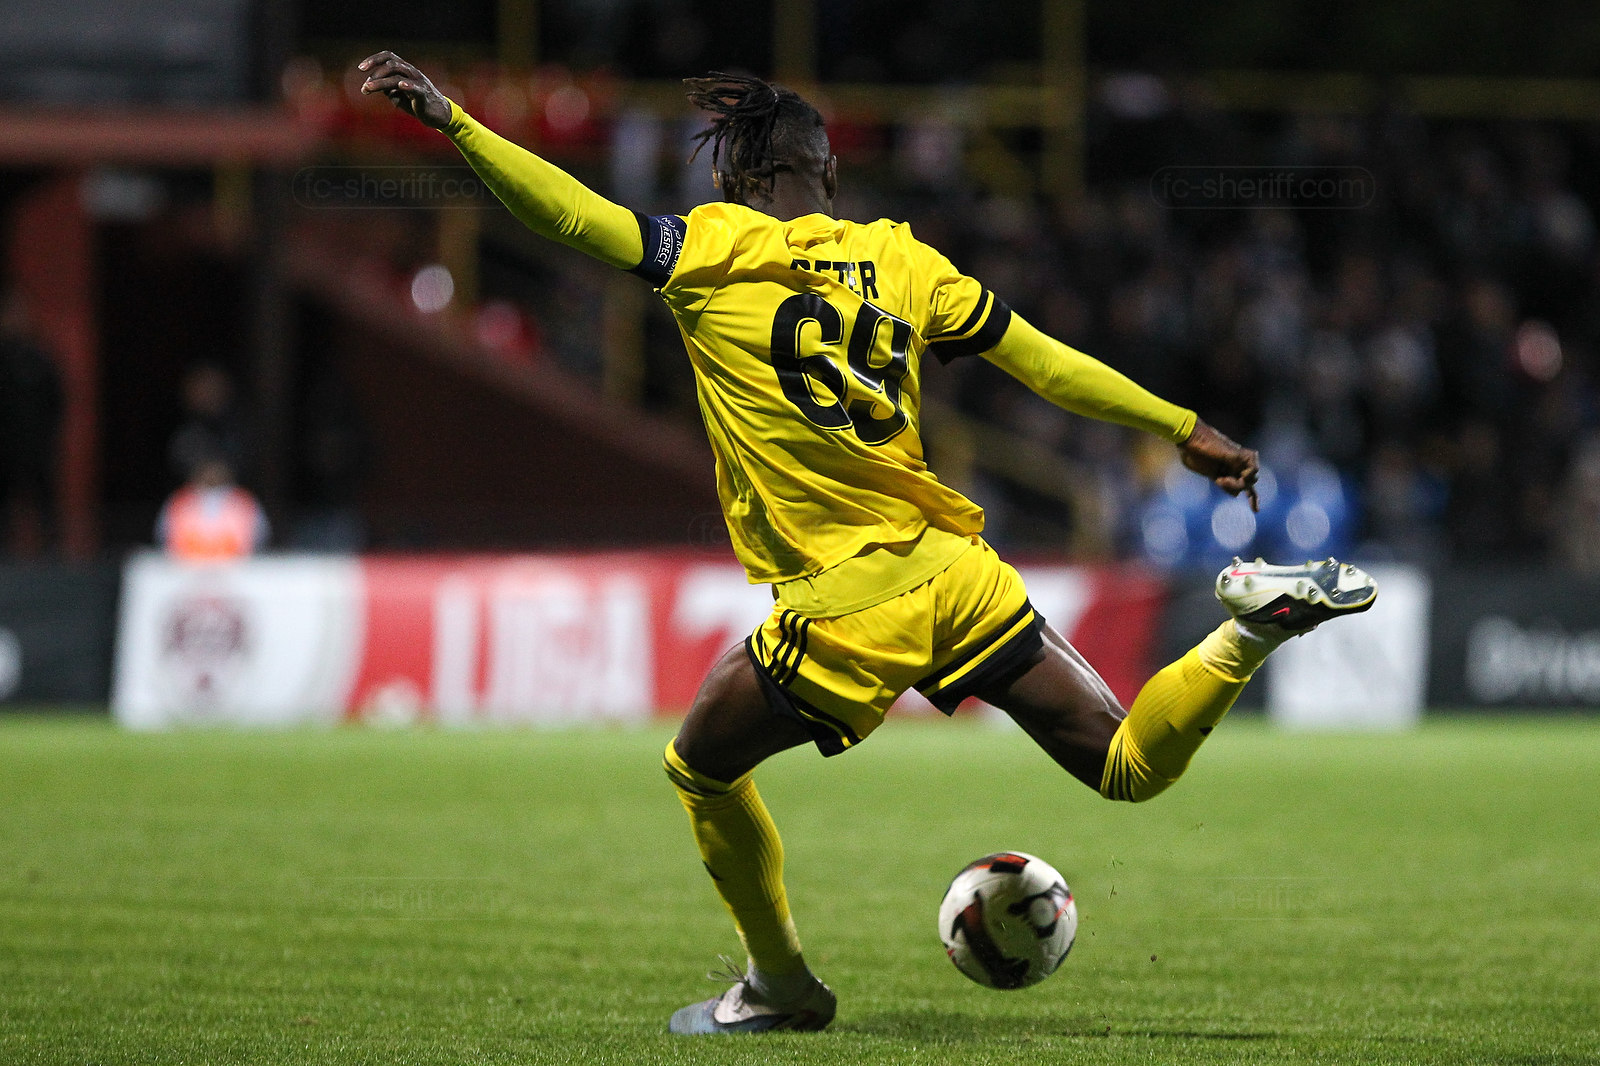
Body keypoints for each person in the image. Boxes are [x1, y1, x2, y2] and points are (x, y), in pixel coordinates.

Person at [359, 54, 1379, 1034]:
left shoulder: (713, 247)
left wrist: (456, 122)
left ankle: (779, 985)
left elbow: (575, 215)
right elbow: (1042, 362)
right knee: (1125, 762)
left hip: (846, 602)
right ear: (830, 173)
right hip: (955, 569)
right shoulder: (904, 259)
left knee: (700, 766)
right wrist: (1179, 426)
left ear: (738, 178)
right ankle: (1248, 631)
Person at [157, 457, 269, 562]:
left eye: (217, 471)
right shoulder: (179, 501)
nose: (212, 475)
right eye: (207, 471)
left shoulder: (244, 501)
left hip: (236, 567)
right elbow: (164, 535)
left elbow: (259, 536)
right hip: (185, 567)